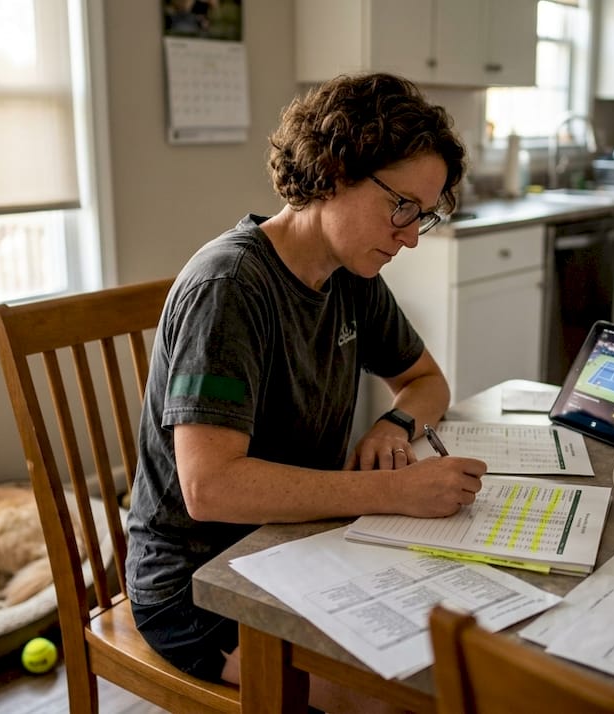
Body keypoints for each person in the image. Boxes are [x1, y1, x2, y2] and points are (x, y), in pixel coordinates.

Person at [125, 72, 487, 712]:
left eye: (423, 216)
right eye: (401, 205)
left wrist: (393, 426)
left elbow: (427, 382)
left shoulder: (353, 275)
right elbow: (210, 488)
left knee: (466, 649)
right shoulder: (230, 287)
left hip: (299, 545)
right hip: (199, 587)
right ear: (334, 169)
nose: (409, 234)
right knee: (407, 699)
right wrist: (392, 491)